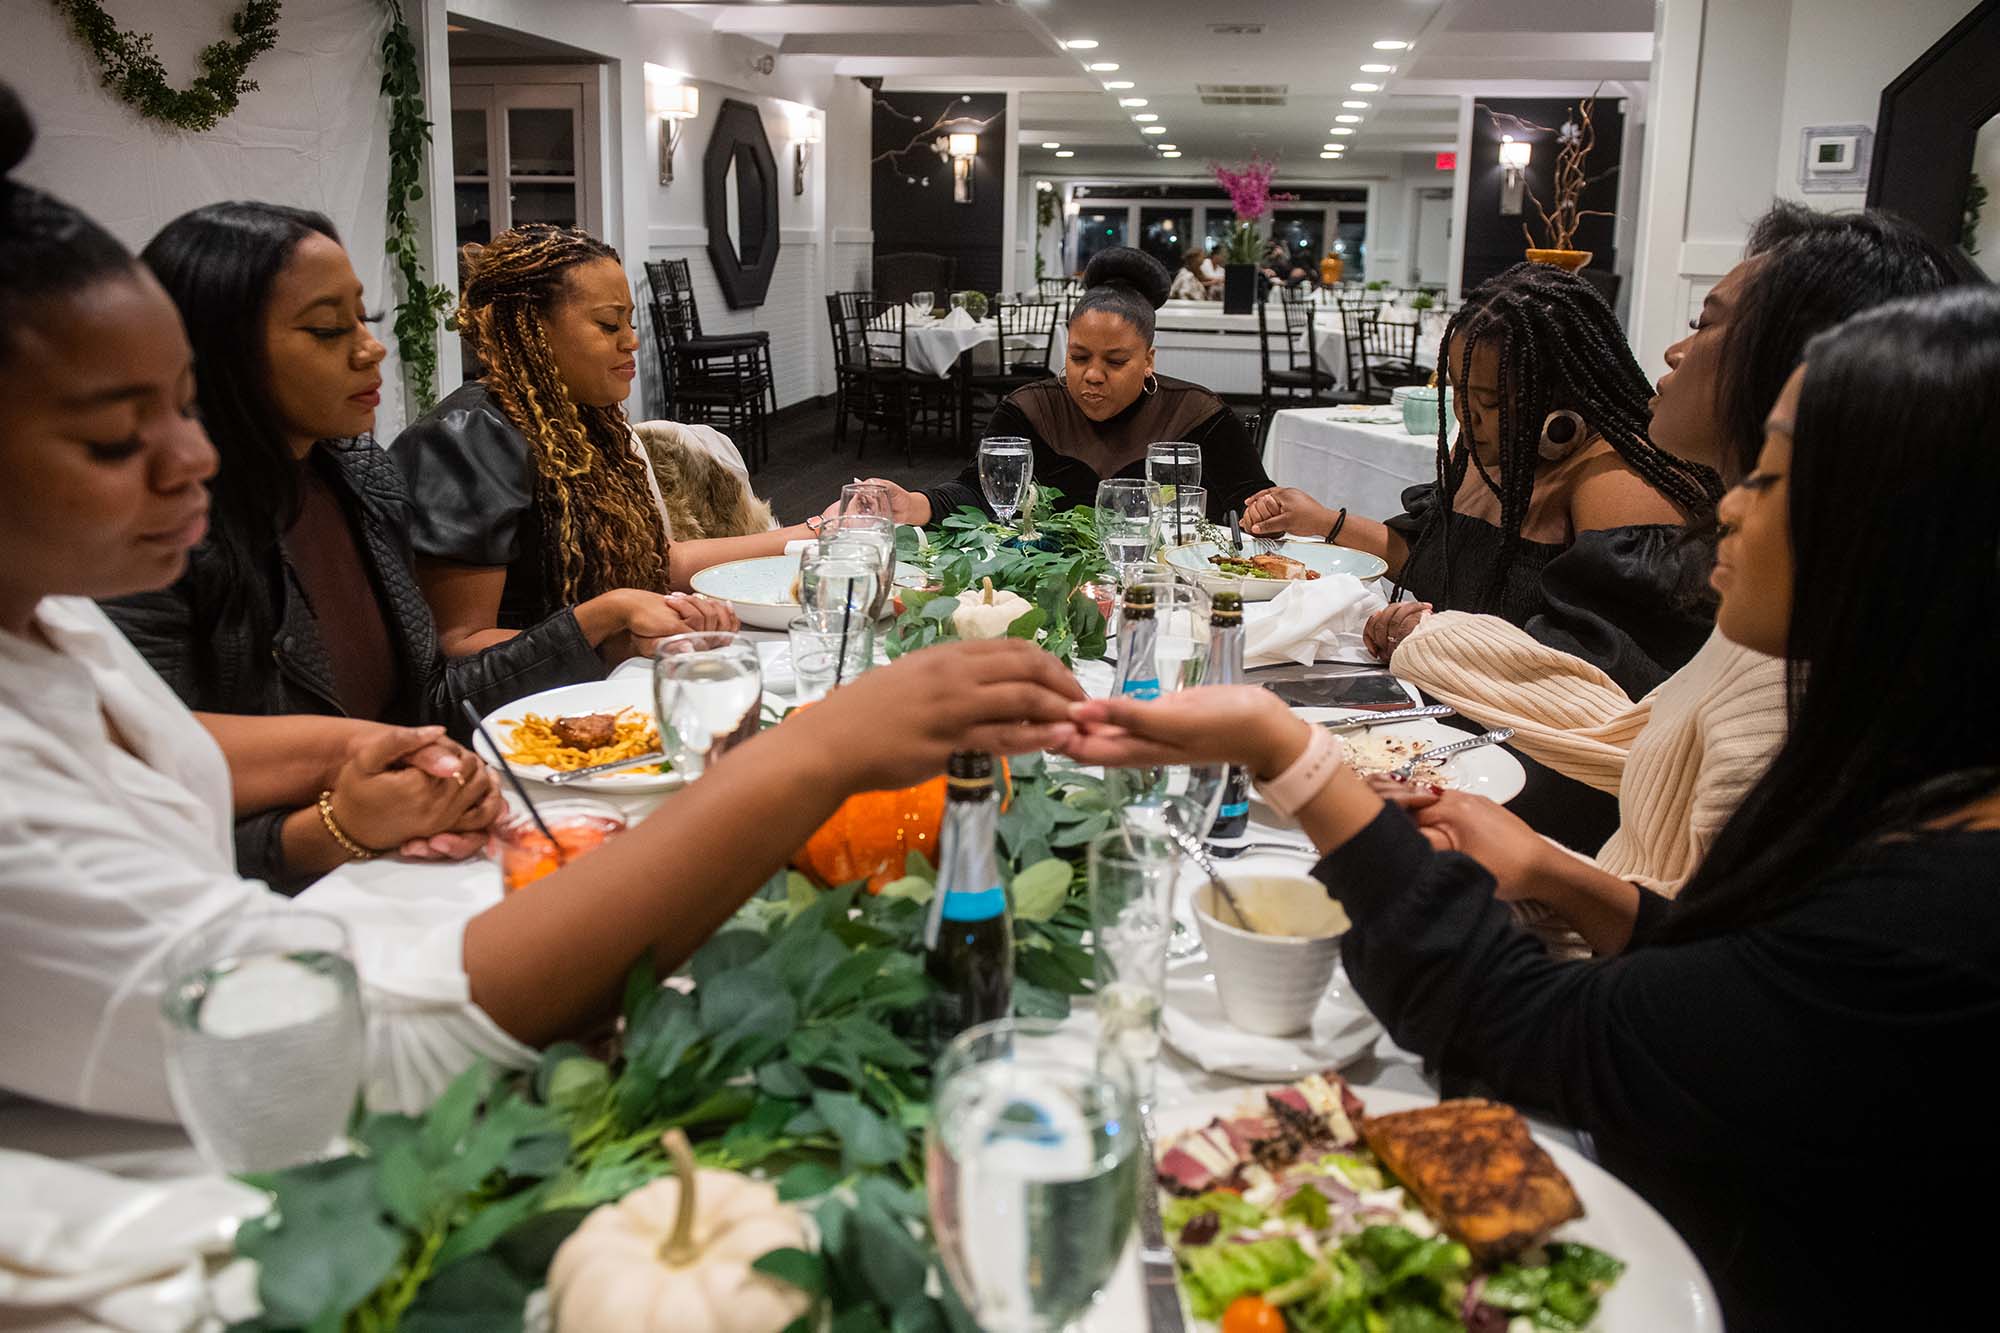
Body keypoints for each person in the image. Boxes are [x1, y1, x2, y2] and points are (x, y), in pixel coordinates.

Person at [0, 91, 1086, 1142]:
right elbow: (345, 1053)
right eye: (113, 436)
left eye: (182, 404)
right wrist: (815, 757)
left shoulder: (75, 613)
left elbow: (175, 747)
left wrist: (366, 748)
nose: (191, 455)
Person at [1058, 286, 2000, 1329]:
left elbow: (1532, 1033)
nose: (1723, 503)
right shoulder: (1915, 800)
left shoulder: (1933, 916)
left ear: (1907, 535)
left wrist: (1286, 753)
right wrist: (1563, 876)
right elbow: (1742, 979)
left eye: (1768, 474)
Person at [1381, 205, 1972, 932]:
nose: (1672, 349)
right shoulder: (1791, 633)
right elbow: (1639, 738)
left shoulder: (1800, 671)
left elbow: (1690, 971)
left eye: (1704, 321)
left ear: (1803, 364)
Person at [92, 204, 687, 892]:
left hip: (413, 848)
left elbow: (429, 698)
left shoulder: (356, 474)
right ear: (214, 354)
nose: (369, 348)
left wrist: (598, 621)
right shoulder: (155, 542)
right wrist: (333, 828)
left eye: (362, 321)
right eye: (325, 329)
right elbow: (132, 811)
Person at [1246, 262, 1722, 699]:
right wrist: (1323, 521)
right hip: (1461, 700)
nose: (1465, 418)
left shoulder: (1616, 481)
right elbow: (1437, 562)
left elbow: (1608, 671)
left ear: (1562, 397)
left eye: (1491, 401)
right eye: (1458, 390)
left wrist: (1440, 640)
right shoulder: (1488, 455)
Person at [393, 224, 807, 655]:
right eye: (609, 324)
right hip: (525, 710)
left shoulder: (583, 420)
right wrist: (615, 631)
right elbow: (457, 648)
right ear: (532, 327)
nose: (631, 340)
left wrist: (815, 532)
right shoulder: (468, 438)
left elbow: (662, 561)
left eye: (628, 321)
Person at [859, 247, 1273, 525]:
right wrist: (913, 503)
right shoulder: (1030, 409)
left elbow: (1255, 504)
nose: (1093, 375)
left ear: (1149, 360)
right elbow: (979, 492)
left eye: (1116, 361)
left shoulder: (1199, 415)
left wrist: (1266, 512)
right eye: (1078, 358)